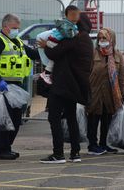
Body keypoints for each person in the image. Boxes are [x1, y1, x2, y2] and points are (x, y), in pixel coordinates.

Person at [38, 11, 93, 164]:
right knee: (71, 118)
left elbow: (53, 53)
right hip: (74, 86)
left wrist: (45, 45)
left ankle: (58, 154)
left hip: (62, 84)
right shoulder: (87, 39)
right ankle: (75, 153)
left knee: (54, 118)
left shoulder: (73, 37)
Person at [0, 13, 39, 160]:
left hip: (16, 85)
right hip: (2, 85)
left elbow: (33, 54)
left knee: (16, 120)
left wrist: (48, 49)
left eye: (18, 28)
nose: (17, 30)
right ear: (5, 27)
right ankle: (1, 150)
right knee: (5, 119)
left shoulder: (18, 41)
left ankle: (6, 147)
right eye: (14, 28)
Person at [86, 28, 124, 155]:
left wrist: (122, 94)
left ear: (111, 40)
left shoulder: (117, 56)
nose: (101, 41)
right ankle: (92, 144)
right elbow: (86, 73)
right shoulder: (93, 54)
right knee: (93, 119)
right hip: (95, 92)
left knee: (107, 119)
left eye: (104, 38)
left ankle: (104, 144)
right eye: (100, 38)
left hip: (110, 94)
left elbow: (121, 77)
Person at [37, 5, 80, 84]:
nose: (75, 17)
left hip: (54, 41)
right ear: (66, 16)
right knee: (55, 55)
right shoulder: (66, 25)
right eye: (73, 14)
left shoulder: (71, 25)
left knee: (55, 58)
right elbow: (68, 34)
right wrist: (76, 34)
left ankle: (47, 73)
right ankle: (46, 73)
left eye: (77, 15)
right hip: (53, 41)